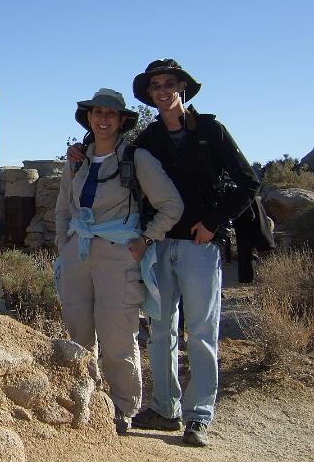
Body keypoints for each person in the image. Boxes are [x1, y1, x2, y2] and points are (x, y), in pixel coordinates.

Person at [126, 60, 260, 446]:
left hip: (201, 245)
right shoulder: (148, 138)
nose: (163, 90)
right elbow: (117, 156)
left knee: (201, 332)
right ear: (150, 94)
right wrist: (81, 154)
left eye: (169, 83)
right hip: (160, 243)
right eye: (156, 85)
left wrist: (214, 222)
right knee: (161, 329)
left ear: (182, 88)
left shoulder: (212, 131)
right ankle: (165, 409)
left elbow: (248, 182)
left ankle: (199, 415)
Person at [54, 88, 183, 435]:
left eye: (111, 114)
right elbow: (64, 206)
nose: (104, 118)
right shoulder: (77, 159)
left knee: (117, 337)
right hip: (77, 254)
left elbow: (172, 205)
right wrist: (62, 246)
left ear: (122, 120)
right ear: (89, 118)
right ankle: (88, 400)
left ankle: (124, 408)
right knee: (78, 333)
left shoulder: (135, 158)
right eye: (97, 112)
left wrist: (146, 239)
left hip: (118, 254)